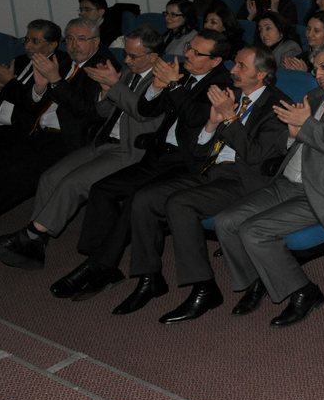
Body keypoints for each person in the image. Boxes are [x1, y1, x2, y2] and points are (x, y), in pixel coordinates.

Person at [49, 30, 233, 300]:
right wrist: (157, 86)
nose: (188, 54)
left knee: (138, 199)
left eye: (196, 52)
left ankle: (97, 266)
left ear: (215, 61)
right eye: (188, 48)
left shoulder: (223, 84)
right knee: (102, 189)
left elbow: (195, 119)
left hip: (187, 162)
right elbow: (147, 110)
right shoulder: (182, 73)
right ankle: (98, 259)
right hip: (158, 154)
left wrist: (173, 86)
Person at [119, 45, 292, 321]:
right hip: (209, 170)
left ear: (260, 74)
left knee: (180, 205)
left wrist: (230, 118)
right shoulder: (230, 94)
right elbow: (199, 152)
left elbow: (255, 157)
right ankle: (149, 278)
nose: (233, 70)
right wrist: (211, 124)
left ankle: (204, 288)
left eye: (241, 66)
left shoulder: (278, 106)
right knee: (144, 198)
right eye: (235, 64)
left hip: (242, 180)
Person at [215, 42, 324, 327]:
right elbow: (286, 142)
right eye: (315, 69)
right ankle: (259, 279)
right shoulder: (314, 96)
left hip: (322, 192)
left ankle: (305, 292)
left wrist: (307, 125)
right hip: (286, 183)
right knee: (226, 221)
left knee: (254, 231)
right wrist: (293, 134)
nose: (318, 74)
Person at [0, 25, 162, 272]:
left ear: (153, 56)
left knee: (72, 184)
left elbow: (144, 113)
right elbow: (103, 111)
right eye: (126, 54)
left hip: (129, 150)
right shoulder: (126, 72)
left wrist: (114, 85)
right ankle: (34, 243)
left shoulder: (161, 79)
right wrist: (106, 92)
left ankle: (26, 237)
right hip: (102, 141)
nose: (126, 60)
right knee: (49, 178)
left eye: (133, 56)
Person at [0, 18, 112, 264]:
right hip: (39, 132)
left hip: (68, 140)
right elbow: (35, 102)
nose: (74, 45)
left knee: (13, 175)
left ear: (96, 41)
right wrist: (38, 87)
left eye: (81, 39)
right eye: (70, 39)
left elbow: (87, 110)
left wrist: (55, 81)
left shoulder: (102, 66)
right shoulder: (66, 62)